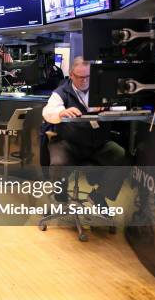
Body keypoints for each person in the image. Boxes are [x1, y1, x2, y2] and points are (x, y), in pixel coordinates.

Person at [42, 57, 128, 207]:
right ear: (71, 75)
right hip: (68, 143)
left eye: (88, 77)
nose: (84, 81)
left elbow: (120, 107)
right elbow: (48, 111)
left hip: (97, 144)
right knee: (58, 163)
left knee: (121, 157)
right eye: (80, 77)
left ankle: (99, 196)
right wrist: (61, 112)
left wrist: (108, 106)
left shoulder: (101, 89)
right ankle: (60, 194)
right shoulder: (62, 92)